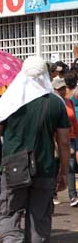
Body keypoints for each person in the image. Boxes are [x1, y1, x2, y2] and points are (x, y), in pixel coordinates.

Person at [0, 56, 70, 243]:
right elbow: (63, 142)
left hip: (13, 169)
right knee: (39, 220)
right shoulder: (56, 103)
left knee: (9, 214)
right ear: (45, 75)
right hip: (45, 170)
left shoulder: (8, 100)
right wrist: (63, 172)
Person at [52, 78, 78, 206]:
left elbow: (74, 122)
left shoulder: (69, 103)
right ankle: (53, 193)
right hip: (55, 139)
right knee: (55, 166)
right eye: (58, 89)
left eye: (63, 88)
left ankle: (73, 196)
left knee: (70, 166)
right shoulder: (52, 103)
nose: (61, 91)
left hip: (70, 138)